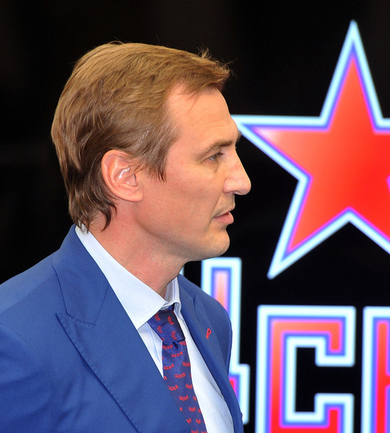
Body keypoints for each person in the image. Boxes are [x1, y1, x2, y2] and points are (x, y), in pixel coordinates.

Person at [0, 41, 251, 433]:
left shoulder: (209, 320)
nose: (242, 181)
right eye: (213, 156)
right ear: (125, 176)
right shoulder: (15, 338)